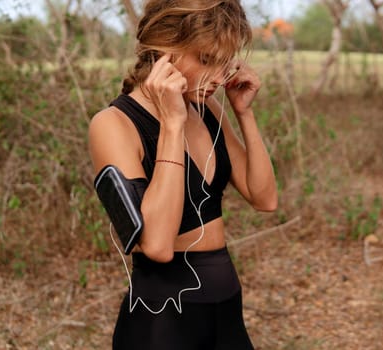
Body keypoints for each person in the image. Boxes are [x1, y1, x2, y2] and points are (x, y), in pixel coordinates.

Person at [88, 0, 277, 349]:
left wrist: (244, 114)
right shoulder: (113, 125)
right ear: (164, 48)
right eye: (206, 60)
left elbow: (264, 198)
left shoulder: (205, 107)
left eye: (225, 62)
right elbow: (157, 246)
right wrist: (173, 126)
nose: (219, 78)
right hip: (162, 322)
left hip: (226, 308)